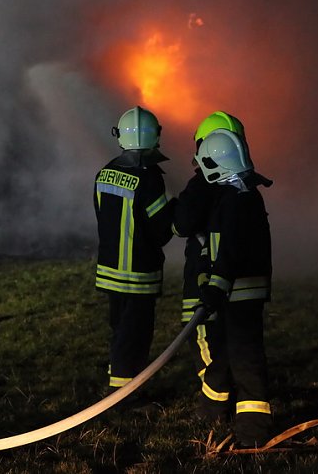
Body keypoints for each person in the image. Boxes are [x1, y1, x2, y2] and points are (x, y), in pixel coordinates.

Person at [191, 128, 274, 448]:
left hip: (239, 291)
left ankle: (253, 430)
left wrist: (216, 285)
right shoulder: (240, 194)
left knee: (245, 358)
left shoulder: (236, 200)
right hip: (234, 291)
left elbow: (229, 250)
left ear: (214, 163)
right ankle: (212, 411)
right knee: (225, 352)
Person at [94, 106, 174, 392]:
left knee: (120, 329)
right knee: (136, 334)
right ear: (155, 136)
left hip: (110, 271)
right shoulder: (150, 178)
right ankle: (125, 393)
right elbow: (162, 228)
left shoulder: (105, 173)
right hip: (139, 274)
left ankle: (119, 376)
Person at [172, 112, 248, 384]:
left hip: (203, 276)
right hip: (237, 282)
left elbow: (182, 225)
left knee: (201, 332)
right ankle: (232, 387)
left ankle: (214, 394)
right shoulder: (245, 187)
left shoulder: (203, 184)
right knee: (235, 337)